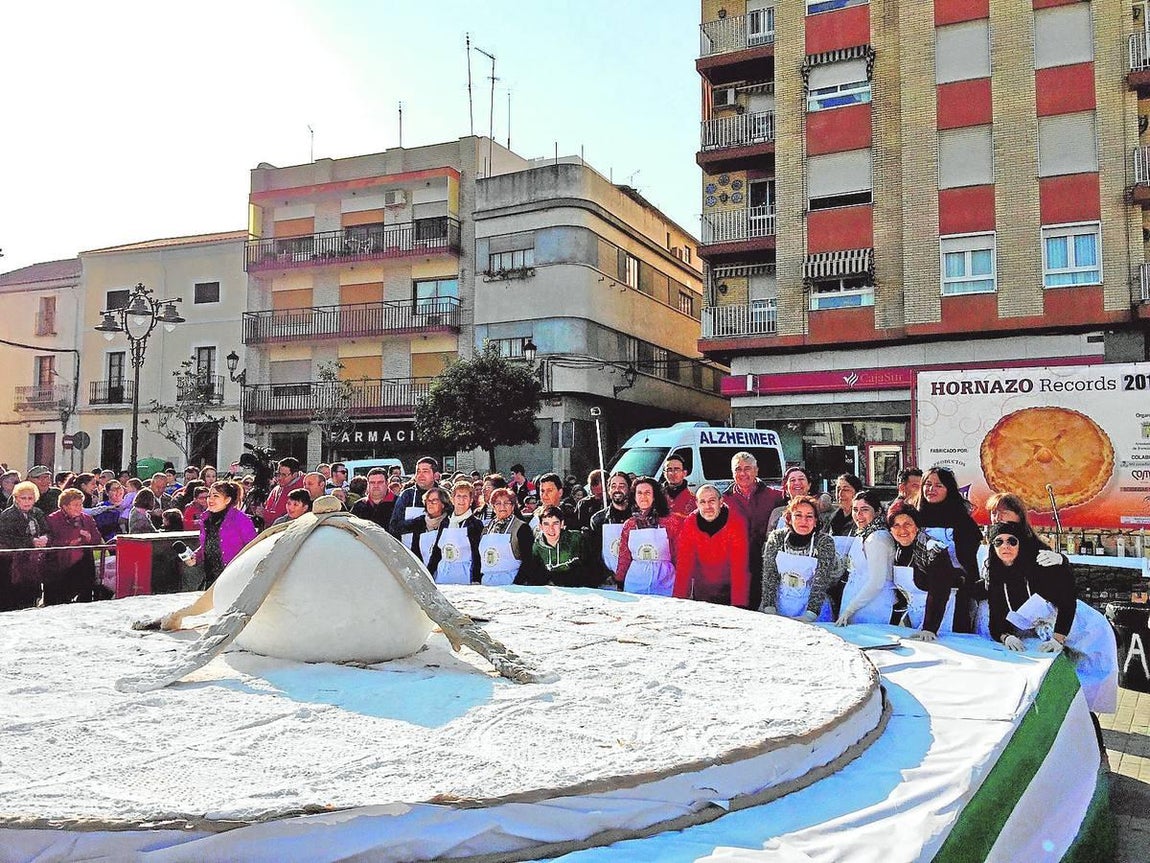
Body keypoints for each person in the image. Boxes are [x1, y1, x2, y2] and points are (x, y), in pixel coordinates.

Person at [987, 522, 1118, 716]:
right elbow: (996, 618)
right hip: (1046, 631)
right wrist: (1005, 637)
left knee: (1093, 681)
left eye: (1012, 541)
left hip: (1082, 627)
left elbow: (1067, 600)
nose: (1005, 546)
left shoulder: (1040, 568)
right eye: (999, 542)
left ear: (1020, 544)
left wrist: (1058, 638)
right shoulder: (996, 579)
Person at [913, 466, 981, 633]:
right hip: (918, 593)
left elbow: (969, 562)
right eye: (927, 484)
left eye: (938, 485)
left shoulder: (962, 521)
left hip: (956, 593)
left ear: (949, 489)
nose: (931, 489)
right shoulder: (914, 516)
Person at [886, 500, 962, 640]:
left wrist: (929, 628)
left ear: (917, 526)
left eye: (907, 524)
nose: (902, 530)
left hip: (943, 621)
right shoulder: (898, 551)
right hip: (916, 618)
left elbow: (939, 592)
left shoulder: (933, 550)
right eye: (896, 525)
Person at [723, 451, 785, 610]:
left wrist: (823, 498)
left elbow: (799, 498)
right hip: (735, 567)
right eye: (738, 469)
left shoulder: (774, 496)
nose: (743, 473)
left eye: (747, 468)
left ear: (757, 470)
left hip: (764, 564)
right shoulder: (724, 499)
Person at [760, 495, 838, 621]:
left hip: (813, 609)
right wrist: (770, 608)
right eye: (798, 515)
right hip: (780, 605)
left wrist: (810, 615)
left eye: (809, 516)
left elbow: (821, 581)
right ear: (789, 518)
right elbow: (770, 575)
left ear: (816, 520)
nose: (804, 521)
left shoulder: (824, 542)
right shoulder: (777, 538)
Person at [673, 483, 750, 607]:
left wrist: (738, 606)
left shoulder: (736, 521)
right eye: (702, 502)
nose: (707, 506)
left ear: (721, 502)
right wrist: (678, 602)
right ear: (697, 504)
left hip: (730, 589)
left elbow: (739, 567)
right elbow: (684, 564)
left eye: (712, 501)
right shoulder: (690, 523)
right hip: (703, 590)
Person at [834, 489, 897, 626]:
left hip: (873, 608)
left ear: (878, 511)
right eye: (855, 510)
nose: (859, 515)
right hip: (856, 601)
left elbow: (877, 582)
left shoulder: (877, 538)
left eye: (865, 509)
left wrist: (850, 610)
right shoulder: (865, 533)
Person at [616, 477, 681, 595]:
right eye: (639, 493)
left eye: (647, 493)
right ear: (634, 497)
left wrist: (683, 581)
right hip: (635, 581)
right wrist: (620, 580)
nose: (643, 496)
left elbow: (679, 554)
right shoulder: (629, 524)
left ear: (654, 496)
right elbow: (624, 556)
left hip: (665, 580)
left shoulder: (670, 522)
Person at [193, 480, 257, 589]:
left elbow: (254, 547)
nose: (210, 499)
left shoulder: (241, 520)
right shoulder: (206, 519)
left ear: (227, 500)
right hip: (211, 578)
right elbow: (210, 543)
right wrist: (196, 556)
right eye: (209, 496)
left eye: (216, 496)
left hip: (234, 578)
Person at [45, 488, 103, 605]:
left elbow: (98, 539)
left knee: (85, 592)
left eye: (81, 504)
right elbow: (50, 540)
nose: (79, 507)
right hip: (61, 563)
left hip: (83, 562)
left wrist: (89, 537)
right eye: (75, 505)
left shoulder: (87, 519)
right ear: (65, 506)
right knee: (60, 599)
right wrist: (68, 542)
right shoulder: (52, 519)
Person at [0, 480, 50, 609]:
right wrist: (30, 542)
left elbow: (46, 530)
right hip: (12, 564)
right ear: (16, 499)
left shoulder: (37, 512)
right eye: (23, 498)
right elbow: (6, 538)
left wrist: (45, 538)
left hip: (33, 562)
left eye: (30, 498)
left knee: (32, 596)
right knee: (13, 599)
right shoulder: (7, 515)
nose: (27, 501)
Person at [479, 487, 536, 586]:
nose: (502, 506)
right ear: (493, 507)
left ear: (513, 506)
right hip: (487, 584)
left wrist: (516, 584)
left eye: (507, 503)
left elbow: (528, 560)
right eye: (498, 503)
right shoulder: (486, 528)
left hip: (511, 584)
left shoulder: (521, 528)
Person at [528, 506, 594, 587]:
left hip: (577, 588)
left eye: (555, 523)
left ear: (562, 524)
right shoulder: (537, 546)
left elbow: (591, 565)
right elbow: (534, 574)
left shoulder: (576, 539)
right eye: (546, 524)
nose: (551, 529)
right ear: (540, 526)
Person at [588, 471, 633, 589]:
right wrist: (607, 575)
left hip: (634, 577)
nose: (617, 489)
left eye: (622, 486)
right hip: (608, 582)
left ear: (629, 489)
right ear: (608, 490)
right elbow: (595, 553)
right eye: (613, 486)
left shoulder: (638, 517)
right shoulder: (598, 519)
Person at [388, 457, 442, 537]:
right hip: (410, 548)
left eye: (425, 471)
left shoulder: (444, 495)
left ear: (434, 475)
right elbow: (394, 527)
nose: (420, 475)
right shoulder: (407, 495)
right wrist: (419, 522)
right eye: (418, 471)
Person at [262, 458, 304, 525]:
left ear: (294, 474)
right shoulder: (276, 489)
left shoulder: (302, 489)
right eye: (278, 474)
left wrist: (264, 514)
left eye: (284, 475)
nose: (279, 478)